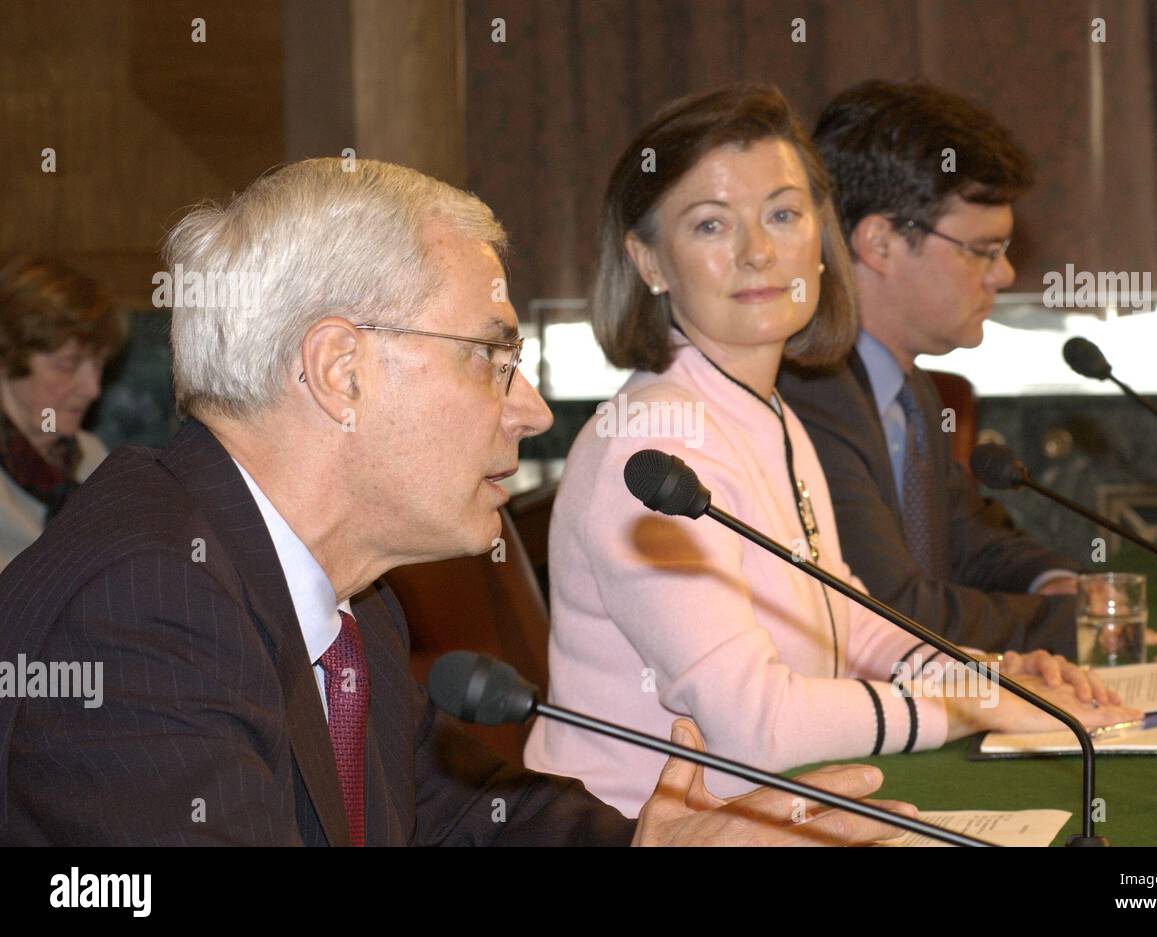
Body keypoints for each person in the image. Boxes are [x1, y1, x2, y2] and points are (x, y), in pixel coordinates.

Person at [0, 158, 910, 846]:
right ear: (340, 370)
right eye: (494, 358)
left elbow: (470, 815)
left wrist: (647, 840)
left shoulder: (350, 602)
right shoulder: (142, 611)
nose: (534, 409)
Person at [525, 85, 1138, 818]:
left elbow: (844, 617)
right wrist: (969, 710)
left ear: (820, 240)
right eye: (712, 225)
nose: (758, 252)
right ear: (650, 260)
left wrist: (994, 678)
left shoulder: (767, 410)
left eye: (783, 215)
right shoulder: (652, 446)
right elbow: (755, 724)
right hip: (634, 832)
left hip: (764, 814)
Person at [779, 80, 1113, 658]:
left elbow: (966, 539)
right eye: (982, 250)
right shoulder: (810, 393)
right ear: (879, 244)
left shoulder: (909, 388)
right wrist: (1071, 622)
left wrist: (1056, 582)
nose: (1004, 275)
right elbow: (890, 613)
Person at [0, 255, 123, 570]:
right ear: (8, 359)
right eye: (67, 365)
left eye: (99, 366)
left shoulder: (91, 458)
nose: (92, 389)